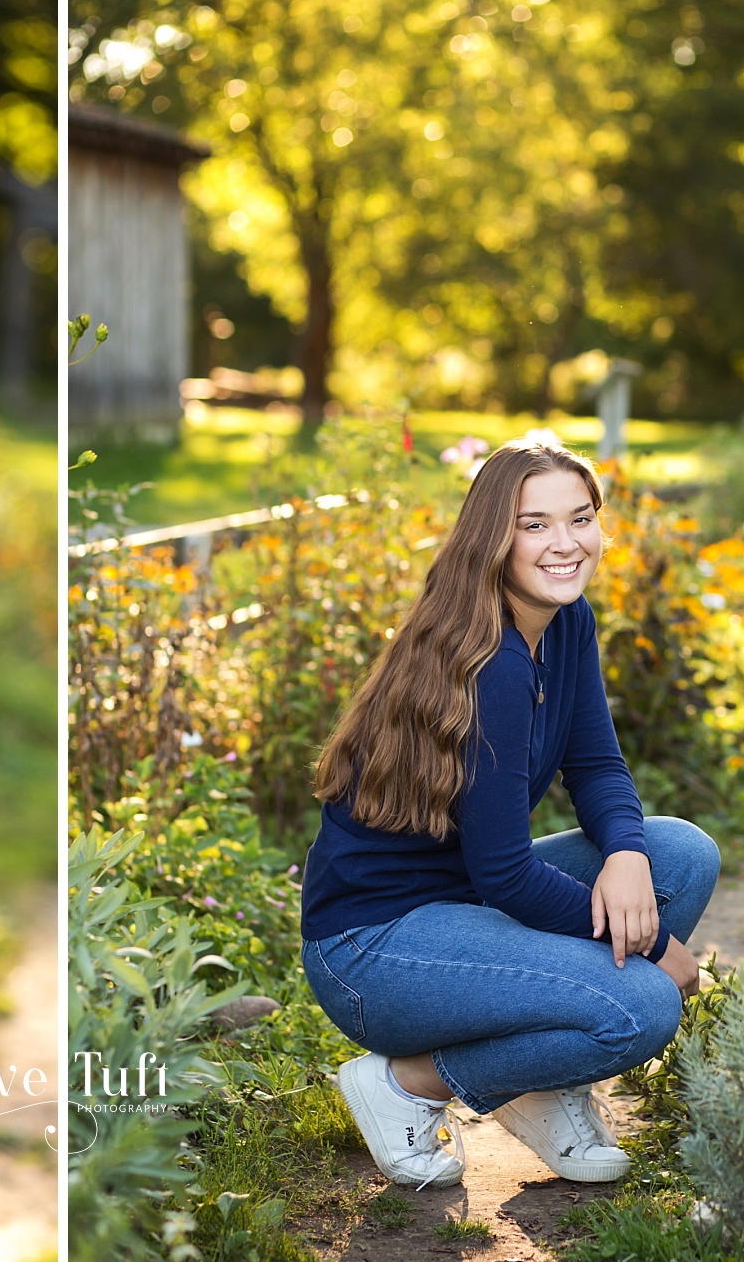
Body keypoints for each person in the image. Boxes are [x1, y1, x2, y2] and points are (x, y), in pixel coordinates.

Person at [299, 436, 717, 1191]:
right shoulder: (489, 662)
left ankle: (544, 1087)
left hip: (464, 902)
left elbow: (594, 763)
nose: (565, 544)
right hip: (375, 948)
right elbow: (505, 875)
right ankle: (407, 1082)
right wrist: (654, 949)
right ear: (494, 537)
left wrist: (624, 854)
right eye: (535, 524)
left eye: (580, 518)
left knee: (678, 855)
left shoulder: (566, 621)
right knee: (642, 1007)